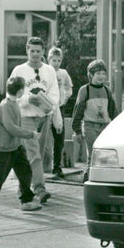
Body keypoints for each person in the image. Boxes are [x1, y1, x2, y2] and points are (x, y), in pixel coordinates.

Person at [0, 76, 43, 214]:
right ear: (20, 91)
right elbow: (11, 128)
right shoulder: (6, 105)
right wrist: (30, 134)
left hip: (16, 147)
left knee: (25, 171)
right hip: (4, 148)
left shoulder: (14, 103)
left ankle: (26, 201)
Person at [8, 36, 58, 203]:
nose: (35, 54)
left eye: (38, 51)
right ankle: (39, 189)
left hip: (44, 117)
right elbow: (11, 95)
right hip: (26, 117)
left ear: (43, 51)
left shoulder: (49, 70)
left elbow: (54, 93)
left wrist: (49, 105)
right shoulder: (19, 70)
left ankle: (24, 185)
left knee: (39, 155)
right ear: (27, 51)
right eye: (32, 51)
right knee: (34, 154)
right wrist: (28, 99)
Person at [71, 60, 118, 164]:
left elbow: (112, 111)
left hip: (105, 126)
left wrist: (117, 126)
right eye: (98, 74)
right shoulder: (84, 90)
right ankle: (88, 175)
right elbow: (78, 111)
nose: (101, 76)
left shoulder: (107, 91)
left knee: (105, 155)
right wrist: (77, 130)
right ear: (91, 75)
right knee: (92, 155)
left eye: (103, 74)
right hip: (90, 126)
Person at [47, 45, 73, 177]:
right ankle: (43, 164)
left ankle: (56, 166)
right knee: (44, 136)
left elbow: (69, 87)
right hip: (47, 107)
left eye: (59, 60)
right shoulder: (45, 71)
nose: (56, 63)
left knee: (59, 137)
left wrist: (66, 98)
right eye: (54, 60)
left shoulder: (63, 73)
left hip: (60, 107)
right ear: (49, 60)